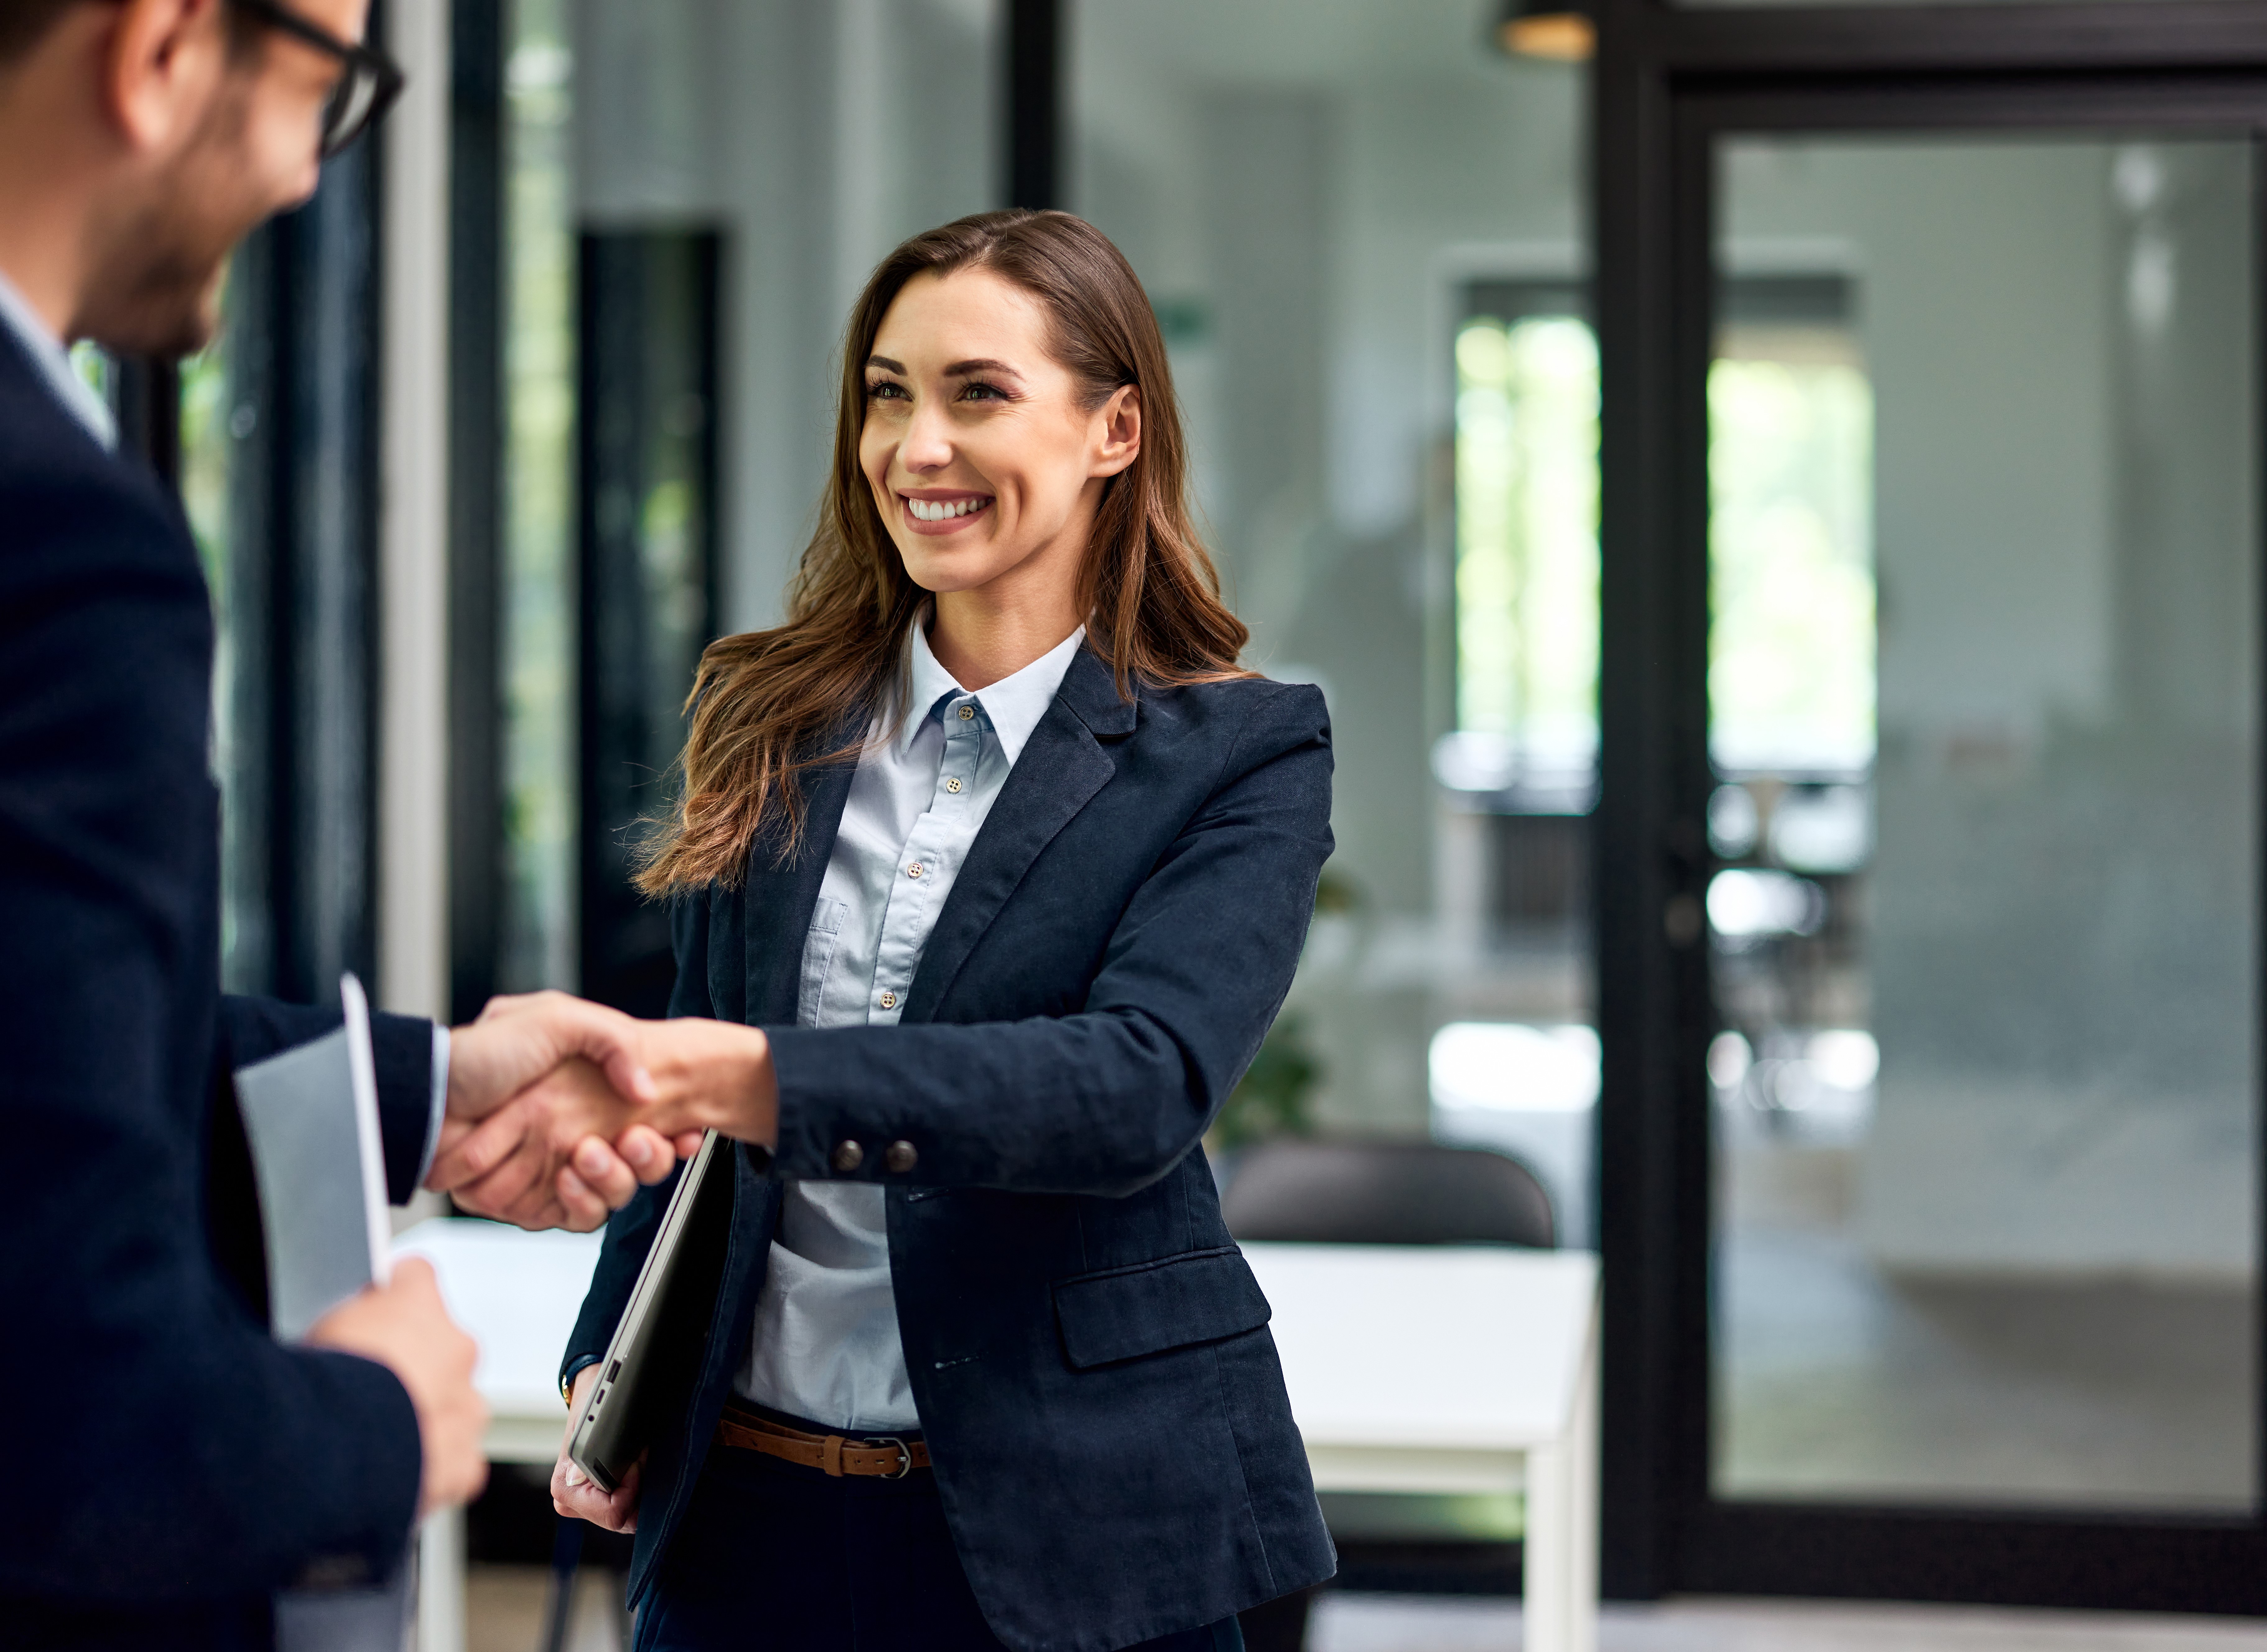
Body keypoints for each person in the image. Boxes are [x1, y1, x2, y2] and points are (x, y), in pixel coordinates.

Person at [492, 209, 1339, 1649]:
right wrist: (610, 1358)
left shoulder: (1239, 751)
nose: (917, 447)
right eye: (888, 395)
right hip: (745, 1510)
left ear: (1115, 429)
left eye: (978, 393)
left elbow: (1135, 1085)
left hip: (1070, 1517)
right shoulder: (771, 710)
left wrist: (746, 1077)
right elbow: (686, 1124)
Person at [0, 1, 695, 1643]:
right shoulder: (59, 544)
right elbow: (82, 1430)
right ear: (161, 50)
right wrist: (381, 1421)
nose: (310, 177)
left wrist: (423, 1089)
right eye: (329, 91)